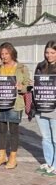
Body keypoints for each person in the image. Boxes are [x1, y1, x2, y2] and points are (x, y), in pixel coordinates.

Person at [0, 42, 29, 169]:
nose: (4, 56)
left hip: (15, 104)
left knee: (14, 131)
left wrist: (22, 87)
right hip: (0, 103)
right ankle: (1, 156)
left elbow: (28, 85)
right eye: (1, 54)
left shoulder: (21, 68)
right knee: (2, 131)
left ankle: (13, 158)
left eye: (6, 53)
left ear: (12, 53)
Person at [35, 40, 56, 176]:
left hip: (54, 108)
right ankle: (48, 162)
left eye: (53, 53)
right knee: (46, 138)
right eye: (47, 52)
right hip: (41, 106)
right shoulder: (40, 66)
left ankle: (55, 166)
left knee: (55, 138)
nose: (49, 55)